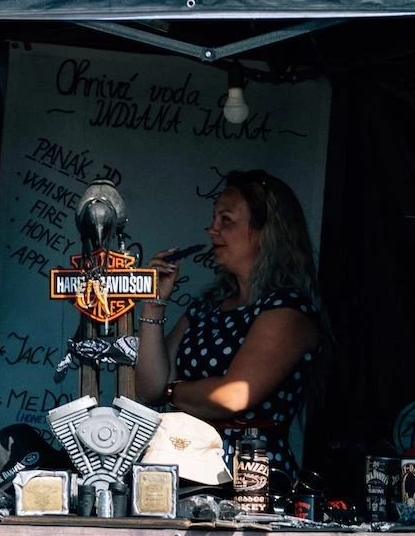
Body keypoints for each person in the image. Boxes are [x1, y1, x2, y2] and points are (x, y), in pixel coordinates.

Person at [135, 170, 322, 440]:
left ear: (267, 232)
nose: (213, 230)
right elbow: (148, 388)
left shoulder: (288, 310)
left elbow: (232, 396)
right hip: (186, 457)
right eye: (214, 219)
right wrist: (154, 303)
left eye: (226, 220)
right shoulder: (207, 305)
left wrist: (170, 391)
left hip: (246, 462)